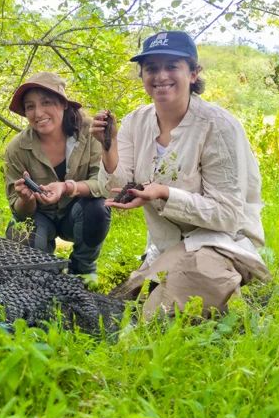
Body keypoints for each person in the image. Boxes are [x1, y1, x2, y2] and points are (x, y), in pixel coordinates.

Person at [95, 31, 269, 320]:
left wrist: (164, 194)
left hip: (221, 240)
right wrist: (108, 147)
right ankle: (171, 277)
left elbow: (227, 215)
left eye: (172, 66)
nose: (161, 76)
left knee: (157, 318)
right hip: (167, 243)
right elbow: (115, 187)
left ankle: (231, 287)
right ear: (142, 75)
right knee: (126, 307)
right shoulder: (135, 122)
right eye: (151, 68)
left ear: (193, 73)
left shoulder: (219, 126)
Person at [3, 72, 109, 280]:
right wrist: (27, 199)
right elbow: (20, 211)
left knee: (99, 207)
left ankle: (83, 268)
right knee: (19, 229)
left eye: (46, 102)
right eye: (30, 106)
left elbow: (104, 183)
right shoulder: (17, 148)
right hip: (41, 216)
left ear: (63, 104)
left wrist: (67, 187)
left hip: (78, 212)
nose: (38, 112)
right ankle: (44, 273)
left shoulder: (90, 133)